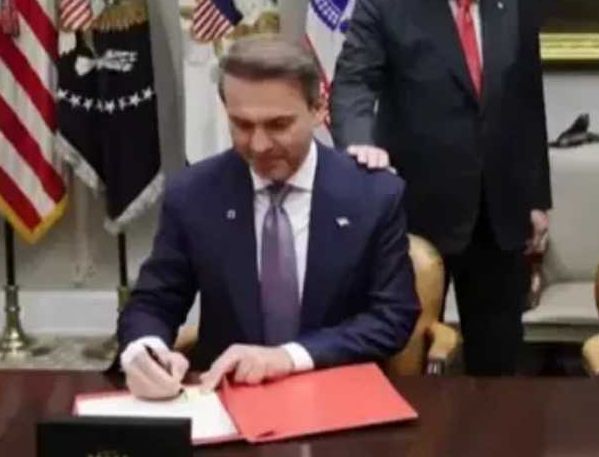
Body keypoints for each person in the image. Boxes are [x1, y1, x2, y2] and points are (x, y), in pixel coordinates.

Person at [329, 0, 551, 376]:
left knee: (499, 363)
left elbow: (527, 105)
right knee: (399, 354)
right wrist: (359, 144)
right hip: (415, 209)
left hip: (498, 216)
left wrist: (537, 198)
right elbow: (354, 84)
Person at [118, 37, 419, 400]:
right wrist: (145, 351)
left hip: (339, 397)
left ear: (318, 109)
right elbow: (154, 301)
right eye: (242, 125)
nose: (259, 145)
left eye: (278, 125)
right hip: (229, 399)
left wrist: (288, 357)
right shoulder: (194, 194)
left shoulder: (373, 194)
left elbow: (393, 316)